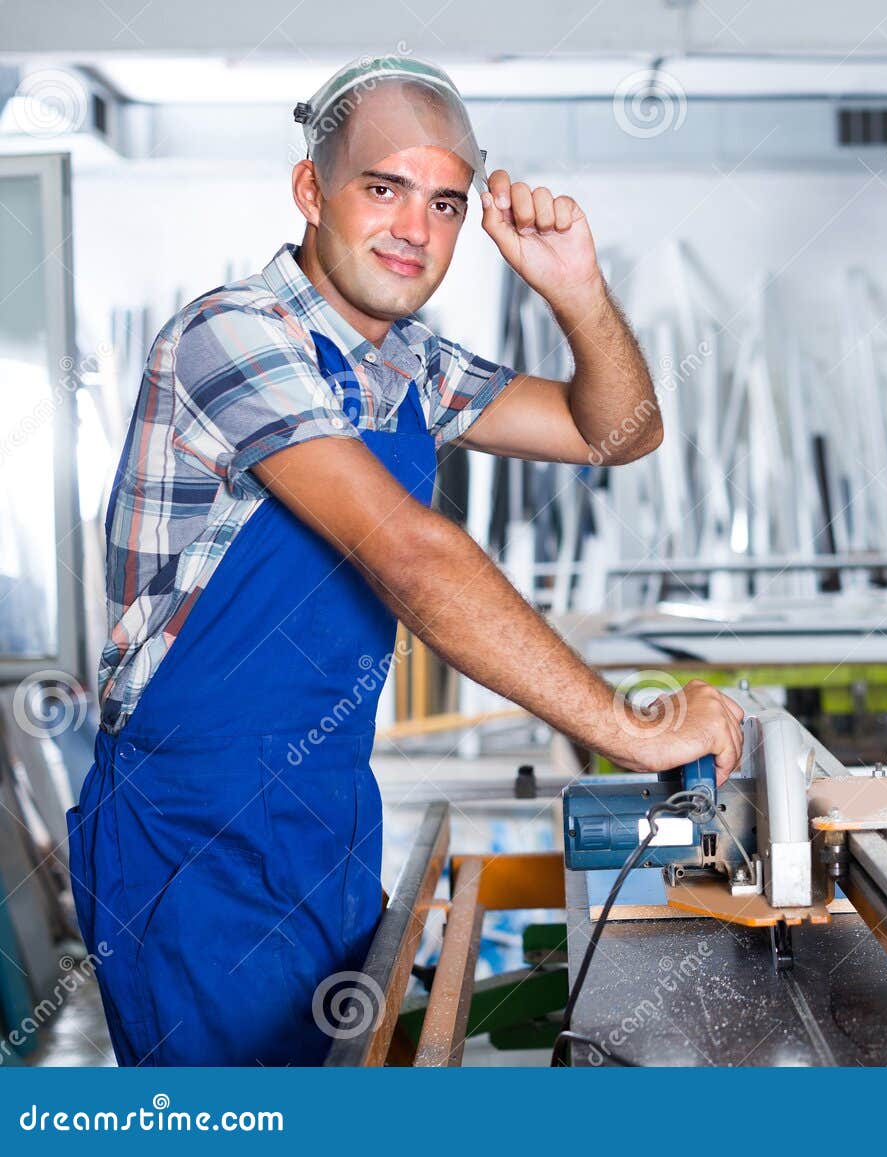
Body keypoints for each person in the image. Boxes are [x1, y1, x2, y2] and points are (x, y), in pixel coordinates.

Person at [68, 55, 744, 1066]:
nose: (414, 229)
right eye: (382, 188)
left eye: (444, 203)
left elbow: (620, 430)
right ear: (311, 190)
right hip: (194, 834)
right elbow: (409, 554)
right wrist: (625, 727)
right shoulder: (234, 333)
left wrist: (577, 290)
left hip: (324, 811)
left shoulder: (408, 362)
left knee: (342, 1080)